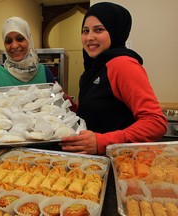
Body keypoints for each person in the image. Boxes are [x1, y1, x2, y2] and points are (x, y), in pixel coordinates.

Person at [60, 2, 167, 155]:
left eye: (99, 30)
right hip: (93, 163)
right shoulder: (93, 69)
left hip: (118, 164)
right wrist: (69, 106)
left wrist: (102, 142)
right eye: (85, 31)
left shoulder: (122, 65)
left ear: (115, 31)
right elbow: (101, 114)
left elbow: (155, 122)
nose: (89, 37)